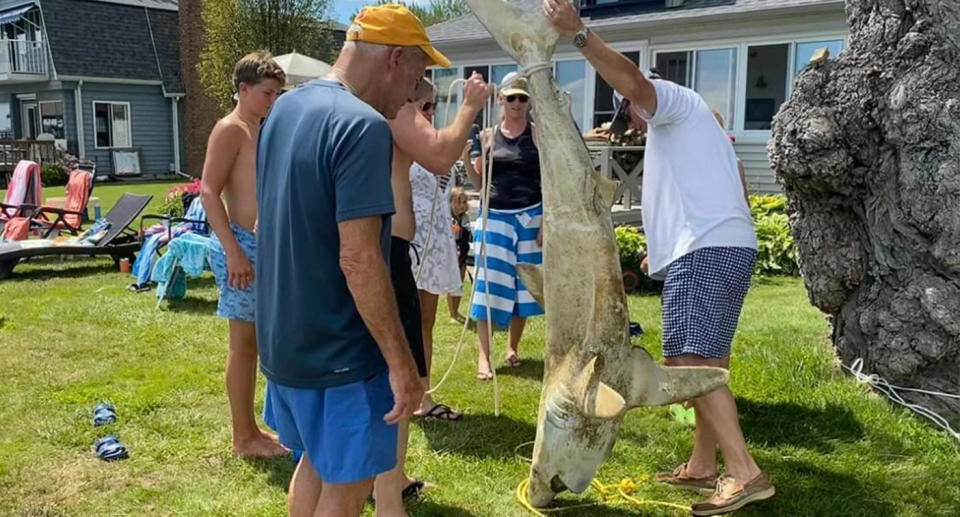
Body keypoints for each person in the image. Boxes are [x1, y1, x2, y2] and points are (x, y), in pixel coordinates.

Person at [543, 2, 773, 515]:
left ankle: (745, 472)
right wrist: (663, 247)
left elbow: (633, 84)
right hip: (725, 245)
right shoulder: (697, 131)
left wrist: (579, 35)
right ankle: (703, 464)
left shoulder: (671, 101)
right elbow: (728, 184)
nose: (629, 116)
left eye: (630, 108)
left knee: (686, 361)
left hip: (707, 248)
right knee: (709, 362)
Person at [255, 5, 446, 516]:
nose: (413, 91)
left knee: (316, 463)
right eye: (417, 74)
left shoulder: (284, 110)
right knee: (350, 486)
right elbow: (359, 259)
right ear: (395, 58)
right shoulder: (363, 126)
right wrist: (402, 364)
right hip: (340, 347)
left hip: (283, 339)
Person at [375, 64, 489, 515]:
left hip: (396, 247)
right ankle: (389, 496)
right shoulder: (393, 114)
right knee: (398, 377)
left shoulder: (372, 113)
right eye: (422, 103)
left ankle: (385, 481)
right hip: (394, 248)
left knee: (392, 366)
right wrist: (470, 107)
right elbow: (439, 155)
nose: (426, 111)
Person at [201, 51, 287, 459]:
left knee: (261, 343)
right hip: (241, 247)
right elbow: (207, 191)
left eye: (277, 93)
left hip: (265, 247)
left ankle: (254, 429)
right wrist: (233, 251)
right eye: (268, 93)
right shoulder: (230, 129)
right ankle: (242, 438)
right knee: (243, 344)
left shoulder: (263, 129)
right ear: (244, 89)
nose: (273, 100)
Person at [467, 72, 544, 381]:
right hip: (495, 216)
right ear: (501, 100)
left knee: (523, 288)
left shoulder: (538, 135)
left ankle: (512, 347)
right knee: (487, 288)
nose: (516, 103)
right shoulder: (486, 136)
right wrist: (464, 158)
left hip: (531, 215)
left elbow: (549, 179)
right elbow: (478, 183)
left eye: (522, 98)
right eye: (511, 97)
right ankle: (484, 359)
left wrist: (547, 221)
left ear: (528, 102)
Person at [447, 185, 472, 323]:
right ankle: (452, 314)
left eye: (463, 202)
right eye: (457, 202)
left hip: (461, 254)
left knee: (459, 283)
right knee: (451, 284)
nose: (461, 206)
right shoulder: (446, 217)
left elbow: (468, 236)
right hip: (449, 254)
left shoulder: (465, 218)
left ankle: (456, 311)